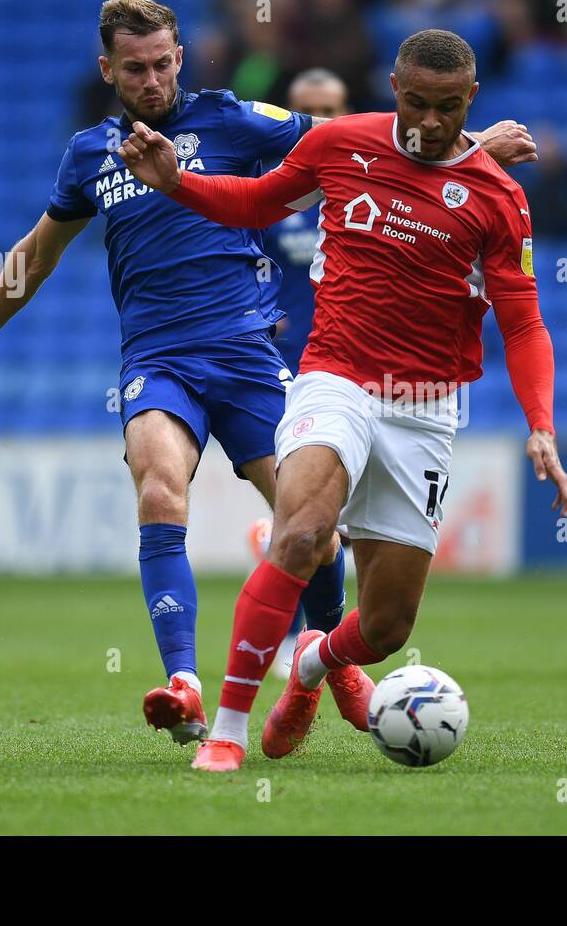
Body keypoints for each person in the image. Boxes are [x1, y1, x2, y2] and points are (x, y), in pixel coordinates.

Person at [0, 0, 537, 752]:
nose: (151, 81)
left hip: (248, 354)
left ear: (179, 58)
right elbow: (37, 253)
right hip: (156, 358)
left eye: (162, 64)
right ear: (106, 68)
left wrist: (471, 144)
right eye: (134, 68)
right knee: (157, 488)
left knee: (308, 531)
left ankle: (331, 668)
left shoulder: (233, 119)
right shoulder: (89, 154)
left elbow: (360, 142)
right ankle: (183, 683)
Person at [118, 27, 567, 772]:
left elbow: (524, 321)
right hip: (335, 376)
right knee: (300, 534)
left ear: (473, 100)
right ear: (394, 88)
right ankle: (229, 731)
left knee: (390, 625)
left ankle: (311, 665)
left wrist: (542, 426)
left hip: (426, 403)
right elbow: (257, 203)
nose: (430, 124)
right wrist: (177, 183)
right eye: (417, 104)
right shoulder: (342, 144)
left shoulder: (500, 199)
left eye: (449, 109)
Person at [261, 67, 352, 679]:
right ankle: (307, 635)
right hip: (288, 370)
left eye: (331, 109)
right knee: (310, 512)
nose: (319, 119)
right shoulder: (272, 197)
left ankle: (324, 635)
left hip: (358, 366)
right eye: (306, 109)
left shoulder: (370, 195)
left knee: (335, 519)